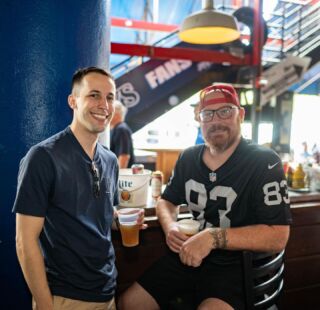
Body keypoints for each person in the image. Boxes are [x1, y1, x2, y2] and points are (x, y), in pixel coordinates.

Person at [118, 83, 292, 310]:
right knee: (128, 303)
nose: (216, 120)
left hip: (237, 266)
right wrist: (170, 226)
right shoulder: (188, 157)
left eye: (225, 111)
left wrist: (213, 237)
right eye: (207, 113)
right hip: (187, 257)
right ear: (199, 120)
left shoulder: (264, 161)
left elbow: (278, 236)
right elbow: (166, 201)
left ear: (240, 114)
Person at [13, 67, 144, 310]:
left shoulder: (110, 160)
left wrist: (122, 221)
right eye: (93, 95)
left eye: (110, 97)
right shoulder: (43, 157)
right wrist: (44, 304)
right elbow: (24, 240)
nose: (104, 104)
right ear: (73, 101)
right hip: (64, 297)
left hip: (107, 291)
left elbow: (102, 216)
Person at [110, 100, 135, 168]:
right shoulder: (116, 129)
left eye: (109, 112)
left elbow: (124, 156)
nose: (106, 115)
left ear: (116, 115)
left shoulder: (121, 129)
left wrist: (118, 176)